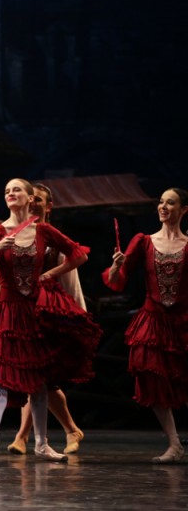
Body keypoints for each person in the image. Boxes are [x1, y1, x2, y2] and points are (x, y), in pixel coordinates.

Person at [0, 178, 101, 463]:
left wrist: (51, 275)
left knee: (39, 380)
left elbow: (78, 255)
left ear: (29, 199)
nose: (11, 194)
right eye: (6, 191)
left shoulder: (43, 230)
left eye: (16, 190)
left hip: (34, 312)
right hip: (7, 310)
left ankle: (41, 443)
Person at [103, 187, 188, 463]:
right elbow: (118, 281)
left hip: (183, 321)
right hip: (153, 320)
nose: (163, 207)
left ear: (183, 210)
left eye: (170, 203)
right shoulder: (144, 241)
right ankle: (174, 443)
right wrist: (117, 266)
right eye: (161, 202)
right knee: (153, 377)